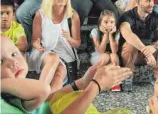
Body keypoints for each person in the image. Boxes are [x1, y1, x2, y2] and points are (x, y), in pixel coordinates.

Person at [0, 35, 133, 114]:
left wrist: (81, 83)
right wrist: (96, 86)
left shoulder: (10, 92)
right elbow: (43, 90)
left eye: (14, 54)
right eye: (0, 62)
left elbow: (43, 103)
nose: (13, 62)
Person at [119, 0, 158, 87]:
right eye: (148, 1)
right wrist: (146, 51)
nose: (151, 4)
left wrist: (154, 47)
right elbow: (127, 34)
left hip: (150, 54)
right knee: (130, 45)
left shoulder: (156, 16)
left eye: (152, 0)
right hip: (133, 55)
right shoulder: (127, 16)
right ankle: (128, 76)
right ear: (139, 2)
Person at [31, 0, 81, 82]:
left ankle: (42, 94)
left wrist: (69, 39)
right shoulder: (40, 14)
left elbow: (77, 43)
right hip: (45, 51)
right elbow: (34, 40)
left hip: (65, 53)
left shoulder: (73, 15)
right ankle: (40, 92)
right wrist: (36, 45)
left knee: (59, 72)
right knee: (53, 58)